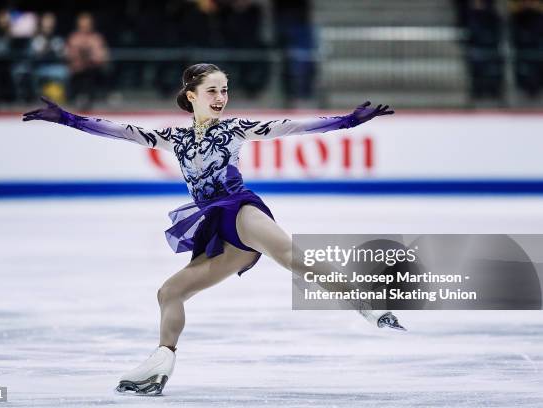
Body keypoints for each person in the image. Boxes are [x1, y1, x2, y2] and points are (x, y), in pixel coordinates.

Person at [22, 63, 404, 396]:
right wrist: (69, 119)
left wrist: (346, 121)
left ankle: (371, 308)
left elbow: (290, 127)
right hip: (216, 228)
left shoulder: (235, 129)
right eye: (212, 91)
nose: (221, 97)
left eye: (224, 90)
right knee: (169, 292)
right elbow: (123, 131)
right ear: (191, 96)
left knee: (293, 258)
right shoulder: (175, 138)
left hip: (239, 210)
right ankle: (159, 365)